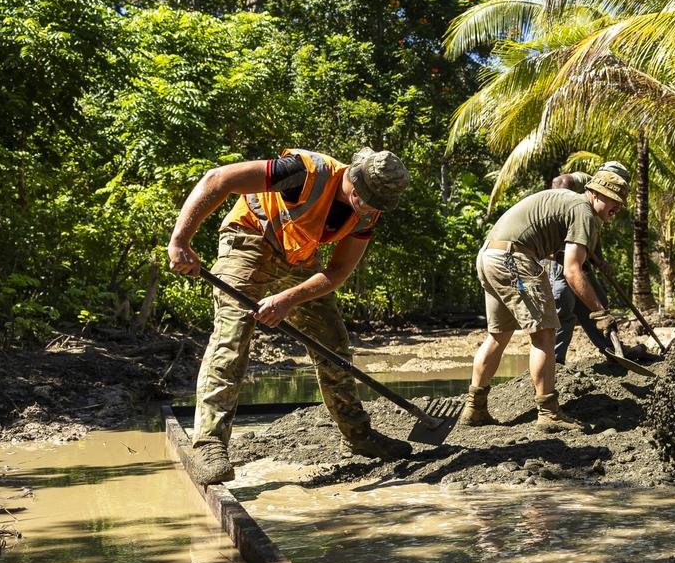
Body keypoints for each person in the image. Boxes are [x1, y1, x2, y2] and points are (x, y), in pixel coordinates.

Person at [167, 148, 411, 485]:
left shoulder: (368, 213)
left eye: (377, 202)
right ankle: (209, 444)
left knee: (333, 345)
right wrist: (180, 240)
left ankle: (358, 437)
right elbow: (218, 179)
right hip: (249, 239)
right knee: (232, 336)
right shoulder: (302, 172)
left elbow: (338, 272)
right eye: (365, 197)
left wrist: (287, 299)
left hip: (298, 257)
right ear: (352, 177)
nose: (368, 206)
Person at [465, 168, 629, 432]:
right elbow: (572, 271)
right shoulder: (584, 211)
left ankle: (475, 407)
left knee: (498, 335)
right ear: (596, 194)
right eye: (613, 200)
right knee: (545, 334)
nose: (617, 206)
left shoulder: (568, 202)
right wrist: (600, 312)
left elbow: (551, 245)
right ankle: (548, 412)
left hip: (489, 256)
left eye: (620, 202)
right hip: (513, 260)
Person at [543, 162, 636, 365]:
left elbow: (592, 229)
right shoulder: (588, 183)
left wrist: (599, 258)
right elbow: (560, 182)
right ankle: (555, 364)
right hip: (561, 254)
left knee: (597, 299)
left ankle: (613, 351)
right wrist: (567, 207)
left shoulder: (606, 203)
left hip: (581, 254)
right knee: (563, 301)